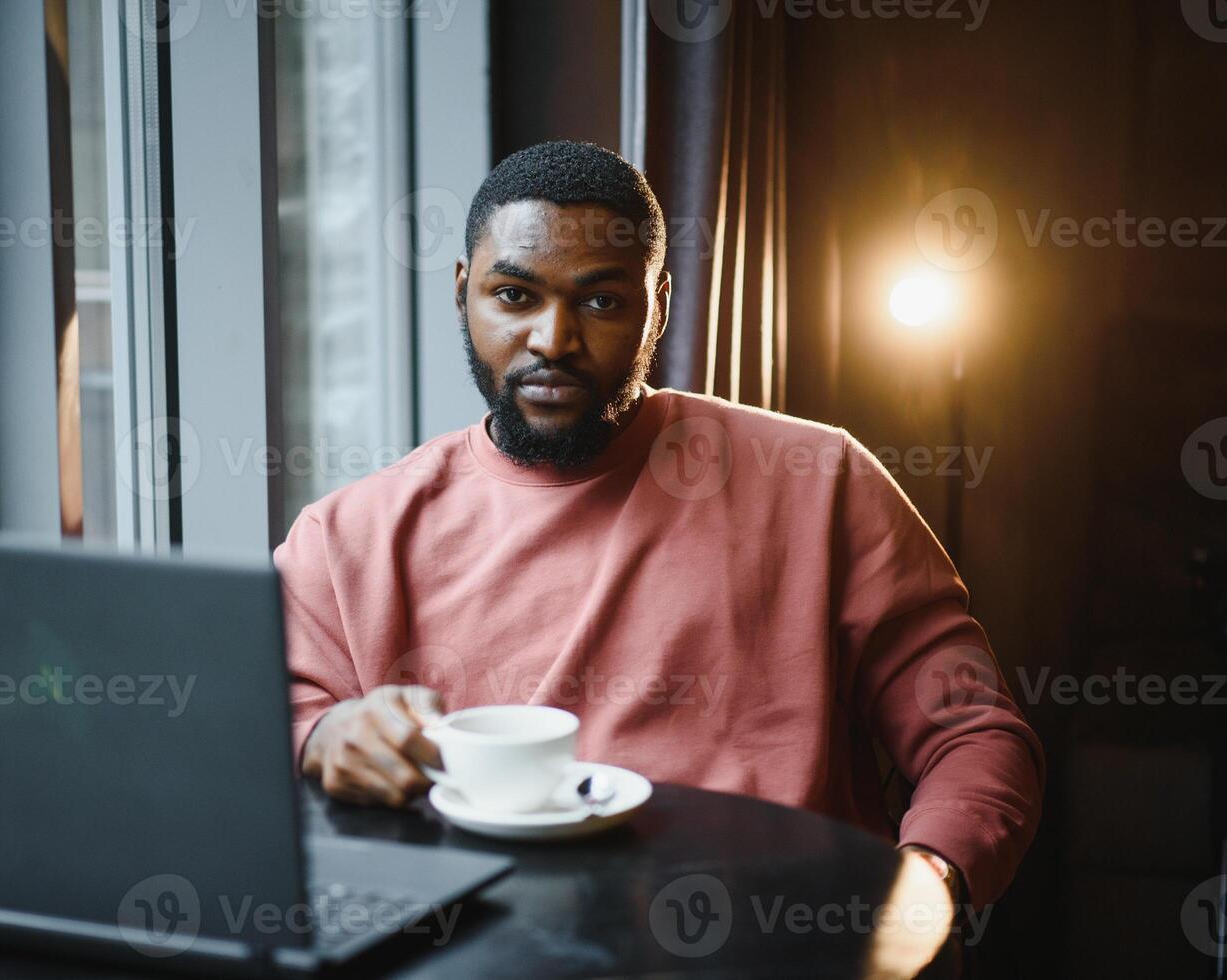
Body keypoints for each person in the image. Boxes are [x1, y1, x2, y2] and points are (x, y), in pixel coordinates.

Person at [274, 140, 1043, 909]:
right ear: (461, 293)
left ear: (659, 306)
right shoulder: (347, 540)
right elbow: (249, 728)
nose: (553, 341)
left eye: (602, 302)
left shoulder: (820, 482)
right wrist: (324, 736)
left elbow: (972, 736)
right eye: (514, 296)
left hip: (776, 943)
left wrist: (927, 888)